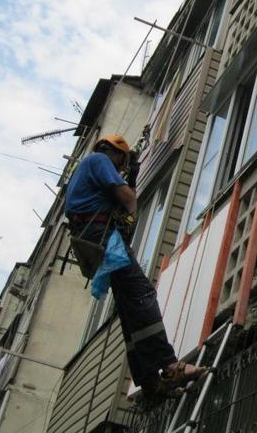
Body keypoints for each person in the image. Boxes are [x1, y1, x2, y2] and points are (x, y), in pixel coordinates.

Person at [65, 133, 204, 398]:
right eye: (122, 164)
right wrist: (131, 207)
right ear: (117, 154)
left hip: (90, 238)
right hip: (100, 236)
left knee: (129, 307)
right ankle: (170, 365)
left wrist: (130, 182)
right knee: (142, 293)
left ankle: (149, 382)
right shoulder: (99, 160)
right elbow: (128, 199)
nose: (120, 169)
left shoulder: (85, 172)